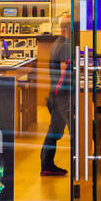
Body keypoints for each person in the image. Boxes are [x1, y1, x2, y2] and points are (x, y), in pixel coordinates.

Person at [41, 12, 73, 177]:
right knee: (73, 131)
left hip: (56, 95)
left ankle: (47, 165)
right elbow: (64, 74)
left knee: (55, 131)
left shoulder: (57, 43)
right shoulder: (66, 46)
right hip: (63, 97)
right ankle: (78, 171)